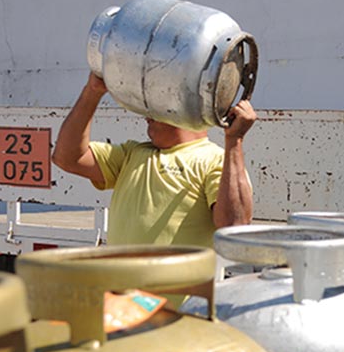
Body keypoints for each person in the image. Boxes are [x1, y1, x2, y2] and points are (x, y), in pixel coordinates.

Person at [52, 73, 256, 248]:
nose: (147, 115)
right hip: (124, 294)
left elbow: (234, 227)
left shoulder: (216, 160)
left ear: (183, 110)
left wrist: (234, 140)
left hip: (182, 295)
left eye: (157, 106)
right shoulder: (132, 154)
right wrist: (92, 91)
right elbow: (66, 158)